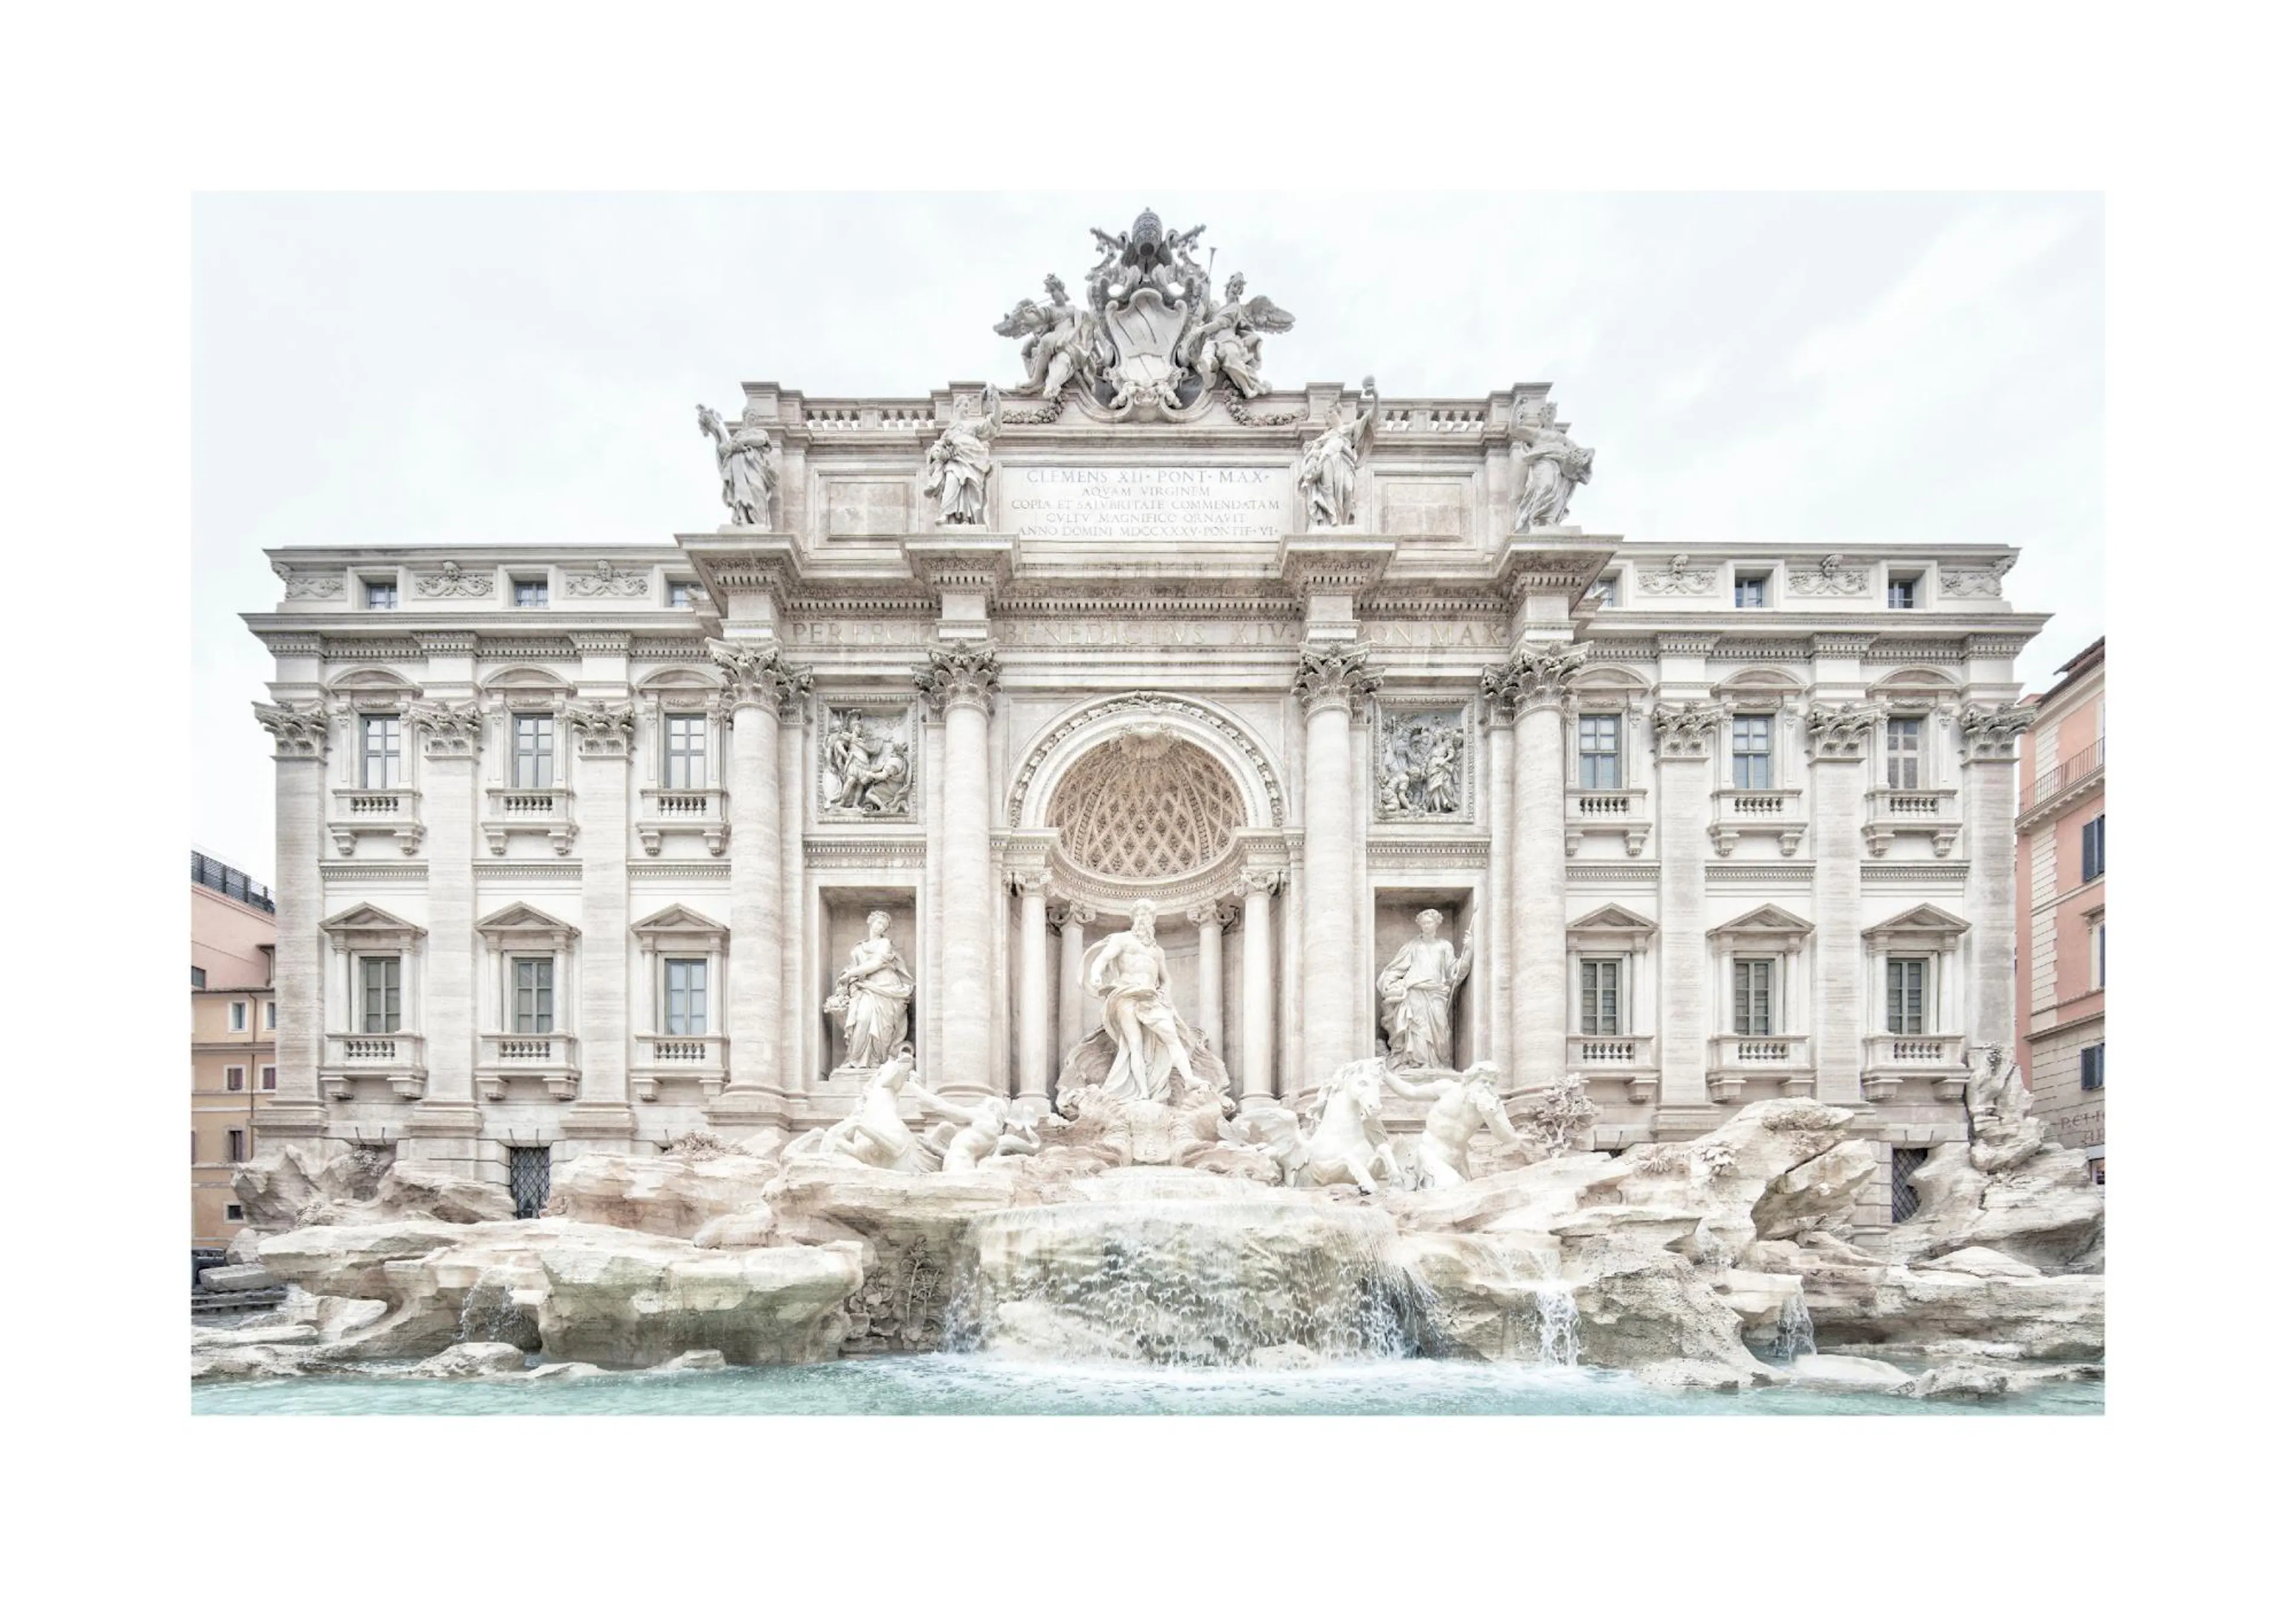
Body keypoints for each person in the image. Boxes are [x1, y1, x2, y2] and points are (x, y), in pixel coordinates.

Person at [1085, 899, 1208, 1104]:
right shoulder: (1122, 940)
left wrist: (1166, 998)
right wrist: (1096, 975)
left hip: (1151, 998)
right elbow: (1104, 959)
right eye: (1140, 915)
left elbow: (1166, 979)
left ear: (1152, 920)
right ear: (1134, 919)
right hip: (1126, 994)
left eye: (1148, 915)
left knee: (1172, 1037)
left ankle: (1189, 1080)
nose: (1144, 919)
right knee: (1135, 1044)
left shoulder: (1157, 951)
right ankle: (1143, 1092)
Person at [1383, 1061, 1519, 1190]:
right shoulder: (1448, 1089)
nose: (1487, 1087)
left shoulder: (1493, 1105)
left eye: (1492, 1083)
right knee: (1449, 1187)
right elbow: (1411, 1092)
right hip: (1431, 1151)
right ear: (1470, 1082)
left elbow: (1509, 1138)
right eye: (1483, 1081)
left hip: (1459, 1160)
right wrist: (1385, 1074)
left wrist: (1491, 1116)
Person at [1376, 909, 1473, 1070]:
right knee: (1417, 1029)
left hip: (1437, 993)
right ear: (1420, 925)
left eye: (1430, 922)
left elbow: (1454, 973)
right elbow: (1395, 969)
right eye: (1424, 923)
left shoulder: (1445, 946)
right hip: (1415, 992)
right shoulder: (1411, 947)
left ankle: (1438, 1064)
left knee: (1440, 1030)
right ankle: (1419, 1063)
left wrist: (1468, 951)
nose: (1427, 926)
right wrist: (1389, 984)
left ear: (1437, 924)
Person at [823, 911, 912, 1071]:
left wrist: (851, 973)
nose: (880, 927)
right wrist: (847, 976)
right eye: (878, 923)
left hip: (884, 986)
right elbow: (854, 966)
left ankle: (877, 1060)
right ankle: (855, 1059)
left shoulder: (885, 943)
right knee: (862, 1019)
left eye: (884, 926)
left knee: (881, 1025)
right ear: (870, 922)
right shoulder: (859, 947)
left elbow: (876, 964)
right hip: (864, 987)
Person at [1297, 377, 1379, 527]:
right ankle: (1333, 521)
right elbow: (1310, 451)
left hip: (1344, 464)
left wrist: (1375, 396)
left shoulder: (1349, 429)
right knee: (1329, 492)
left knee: (1348, 490)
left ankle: (1343, 523)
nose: (1328, 416)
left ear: (1337, 413)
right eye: (1327, 415)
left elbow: (1371, 419)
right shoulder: (1324, 437)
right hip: (1327, 463)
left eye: (1330, 412)